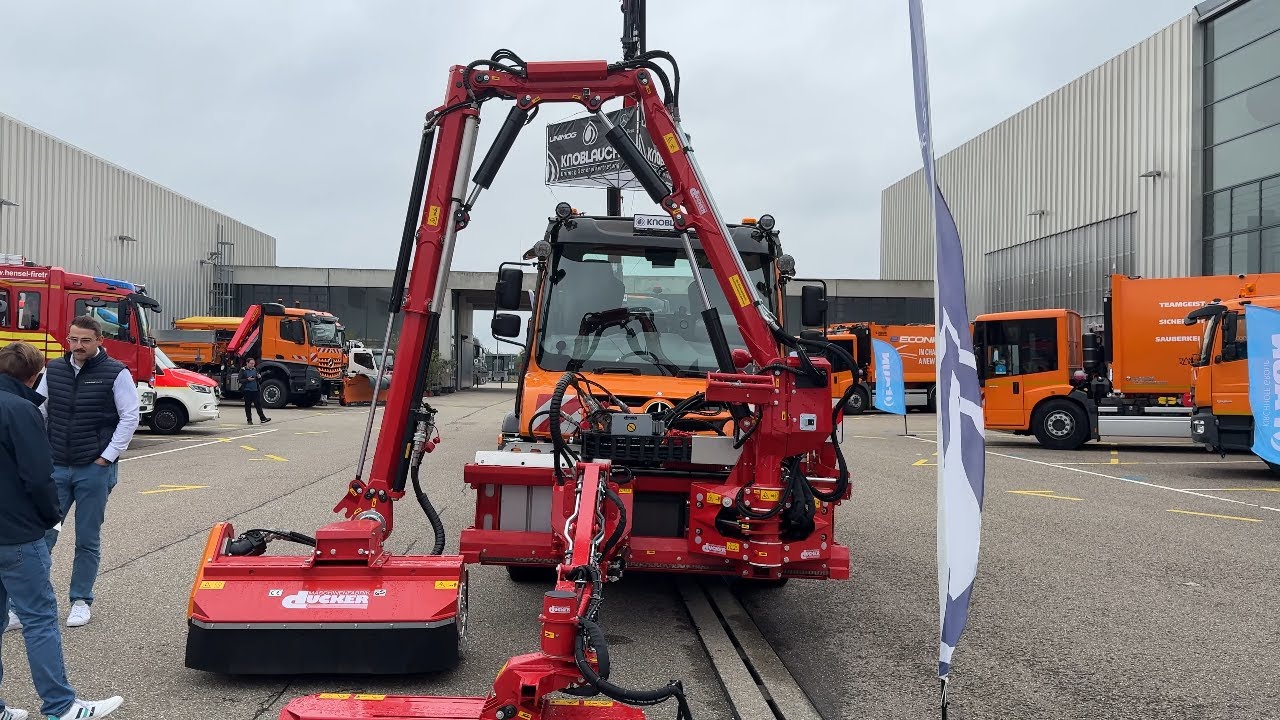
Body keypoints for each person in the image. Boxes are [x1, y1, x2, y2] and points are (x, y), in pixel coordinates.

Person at [0, 341, 124, 720]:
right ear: (34, 376)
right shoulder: (22, 410)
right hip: (17, 533)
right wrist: (48, 516)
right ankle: (60, 705)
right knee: (39, 619)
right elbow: (39, 476)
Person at [35, 316, 139, 630]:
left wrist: (106, 458)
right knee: (42, 536)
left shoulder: (115, 372)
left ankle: (80, 600)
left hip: (93, 470)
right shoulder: (53, 369)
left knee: (87, 538)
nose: (78, 346)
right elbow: (39, 409)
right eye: (73, 340)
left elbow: (130, 416)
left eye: (85, 341)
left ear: (99, 341)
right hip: (56, 468)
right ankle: (28, 602)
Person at [238, 358, 271, 425]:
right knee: (248, 405)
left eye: (253, 363)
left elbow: (258, 380)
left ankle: (263, 418)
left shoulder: (255, 369)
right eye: (251, 363)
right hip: (247, 390)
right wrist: (247, 379)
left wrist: (259, 377)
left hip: (255, 390)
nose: (253, 365)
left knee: (258, 404)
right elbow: (239, 380)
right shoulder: (243, 370)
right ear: (247, 363)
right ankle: (249, 420)